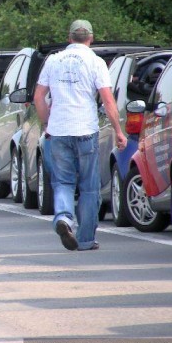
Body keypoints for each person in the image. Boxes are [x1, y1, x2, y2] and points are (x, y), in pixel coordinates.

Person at [33, 20, 127, 251]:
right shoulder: (96, 62)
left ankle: (64, 219)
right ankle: (85, 240)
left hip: (58, 131)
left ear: (69, 37)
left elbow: (39, 97)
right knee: (89, 187)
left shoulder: (53, 60)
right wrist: (118, 131)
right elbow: (107, 99)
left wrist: (46, 123)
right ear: (90, 38)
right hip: (85, 130)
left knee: (63, 182)